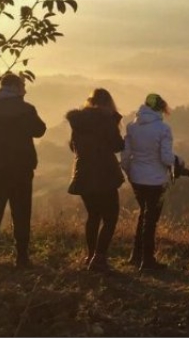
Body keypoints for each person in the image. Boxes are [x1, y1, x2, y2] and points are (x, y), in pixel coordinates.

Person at [0, 73, 46, 270]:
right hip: (21, 168)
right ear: (16, 87)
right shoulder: (26, 109)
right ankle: (22, 257)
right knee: (21, 212)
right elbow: (40, 130)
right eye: (23, 85)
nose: (25, 88)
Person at [65, 88, 125, 272]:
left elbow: (72, 146)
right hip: (104, 174)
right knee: (110, 217)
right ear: (108, 103)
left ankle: (91, 255)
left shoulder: (78, 122)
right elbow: (117, 145)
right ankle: (99, 258)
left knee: (93, 216)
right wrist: (115, 121)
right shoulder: (106, 120)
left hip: (83, 174)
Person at [121, 93, 176, 271]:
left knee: (143, 215)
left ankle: (135, 255)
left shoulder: (132, 127)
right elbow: (166, 158)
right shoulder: (163, 129)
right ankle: (147, 260)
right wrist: (177, 162)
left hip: (137, 178)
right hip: (155, 180)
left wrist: (130, 172)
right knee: (150, 219)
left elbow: (125, 157)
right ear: (160, 108)